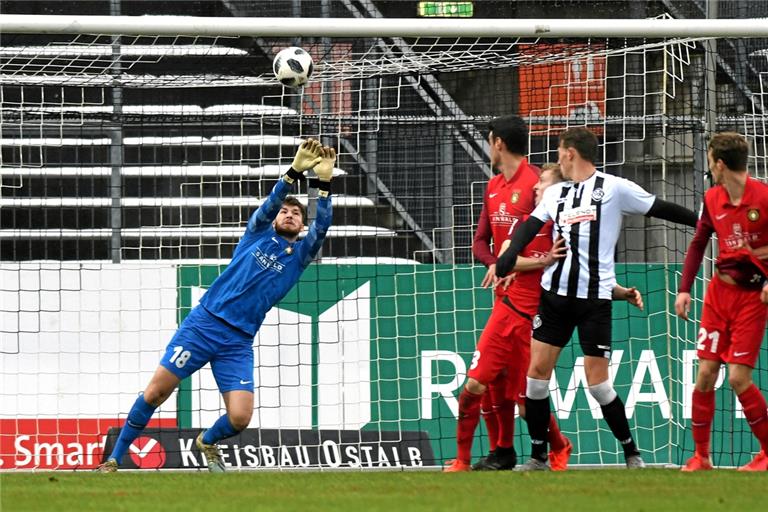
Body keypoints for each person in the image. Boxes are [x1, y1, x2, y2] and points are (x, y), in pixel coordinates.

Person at [97, 139, 336, 473]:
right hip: (204, 324)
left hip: (237, 342)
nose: (290, 214)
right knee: (155, 393)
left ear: (301, 225)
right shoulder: (256, 234)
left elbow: (322, 227)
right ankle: (114, 459)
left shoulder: (299, 257)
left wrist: (324, 184)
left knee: (240, 418)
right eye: (286, 210)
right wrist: (294, 172)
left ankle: (207, 441)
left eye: (297, 214)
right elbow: (269, 206)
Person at [496, 127, 698, 470]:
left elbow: (659, 207)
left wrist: (701, 223)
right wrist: (510, 253)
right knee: (535, 377)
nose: (558, 157)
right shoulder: (556, 193)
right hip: (554, 297)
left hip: (594, 301)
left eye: (560, 151)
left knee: (599, 385)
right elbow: (531, 226)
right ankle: (538, 457)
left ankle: (632, 452)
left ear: (571, 153)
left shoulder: (614, 188)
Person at [444, 155, 571, 473]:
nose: (536, 187)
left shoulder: (566, 232)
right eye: (538, 182)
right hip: (507, 310)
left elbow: (582, 273)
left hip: (536, 323)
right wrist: (538, 262)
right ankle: (463, 460)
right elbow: (503, 257)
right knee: (475, 385)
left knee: (528, 402)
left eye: (542, 183)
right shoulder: (528, 223)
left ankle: (558, 446)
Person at [674, 132, 768, 472]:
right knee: (705, 375)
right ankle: (702, 457)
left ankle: (767, 453)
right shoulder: (713, 198)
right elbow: (699, 242)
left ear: (720, 163)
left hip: (752, 298)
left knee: (737, 379)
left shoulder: (764, 198)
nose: (710, 169)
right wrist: (684, 289)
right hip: (718, 295)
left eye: (711, 162)